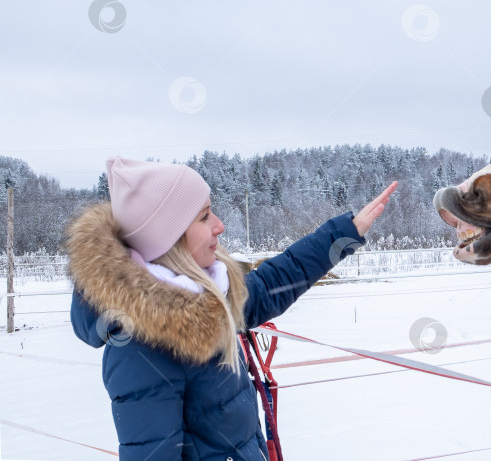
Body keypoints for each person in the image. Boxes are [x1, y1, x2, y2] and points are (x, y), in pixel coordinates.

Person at [68, 156, 397, 460]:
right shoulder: (140, 351)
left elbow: (275, 280)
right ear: (168, 239)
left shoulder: (210, 300)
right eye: (204, 216)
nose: (219, 225)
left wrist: (342, 236)